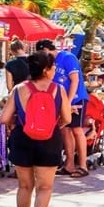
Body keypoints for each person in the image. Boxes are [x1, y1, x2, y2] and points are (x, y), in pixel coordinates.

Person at [0, 51, 71, 207]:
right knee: (45, 187)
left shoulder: (19, 88)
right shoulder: (59, 90)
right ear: (46, 70)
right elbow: (67, 119)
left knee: (24, 186)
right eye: (53, 67)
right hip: (49, 140)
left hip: (23, 138)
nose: (55, 70)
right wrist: (51, 125)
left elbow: (4, 118)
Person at [36, 39, 90, 179]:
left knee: (77, 130)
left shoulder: (67, 57)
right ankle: (69, 164)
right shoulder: (50, 63)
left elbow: (75, 80)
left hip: (77, 98)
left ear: (47, 50)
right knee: (65, 130)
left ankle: (83, 165)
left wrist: (69, 101)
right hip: (61, 100)